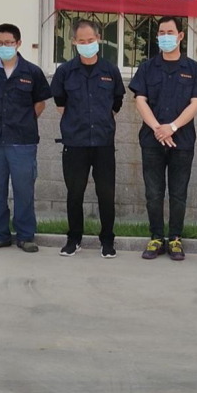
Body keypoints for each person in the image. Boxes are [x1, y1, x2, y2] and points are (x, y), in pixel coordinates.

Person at [129, 16, 197, 261]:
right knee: (153, 193)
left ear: (180, 36)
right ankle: (156, 237)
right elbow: (139, 100)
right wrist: (158, 128)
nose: (165, 37)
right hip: (152, 140)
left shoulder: (194, 69)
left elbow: (196, 103)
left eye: (170, 32)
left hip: (181, 141)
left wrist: (172, 127)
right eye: (161, 33)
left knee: (178, 193)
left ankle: (175, 238)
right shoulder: (147, 68)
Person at [0, 23, 51, 253]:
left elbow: (40, 103)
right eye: (0, 43)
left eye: (9, 42)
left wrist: (23, 122)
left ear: (18, 43)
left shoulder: (32, 72)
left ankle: (25, 236)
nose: (4, 46)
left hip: (23, 142)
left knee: (23, 190)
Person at [51, 19, 125, 259]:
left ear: (99, 39)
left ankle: (107, 240)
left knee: (106, 194)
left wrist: (101, 119)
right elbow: (60, 103)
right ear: (74, 42)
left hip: (103, 143)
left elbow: (117, 102)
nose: (86, 44)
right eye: (81, 41)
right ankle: (74, 239)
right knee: (75, 193)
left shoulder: (110, 71)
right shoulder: (65, 72)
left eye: (90, 40)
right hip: (75, 143)